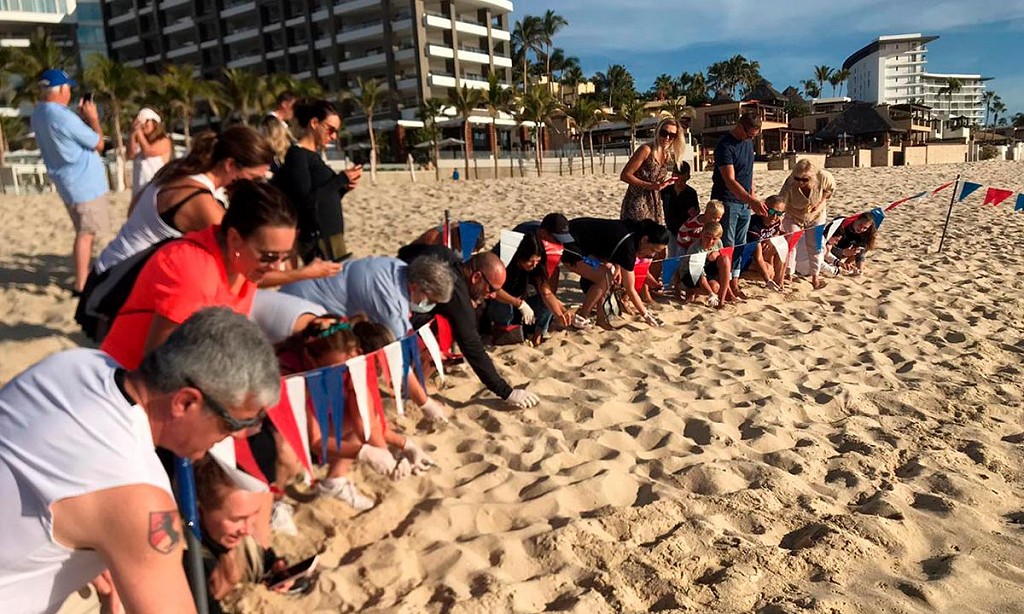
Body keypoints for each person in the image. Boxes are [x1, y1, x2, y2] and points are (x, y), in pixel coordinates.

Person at [0, 307, 280, 614]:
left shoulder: (75, 364)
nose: (237, 438)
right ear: (185, 402)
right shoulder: (139, 497)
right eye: (233, 424)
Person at [100, 179, 299, 370]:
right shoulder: (193, 268)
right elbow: (158, 363)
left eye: (285, 256)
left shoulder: (243, 265)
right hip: (130, 376)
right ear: (235, 239)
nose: (277, 266)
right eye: (269, 256)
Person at [277, 317, 436, 509]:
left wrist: (402, 448)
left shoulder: (348, 365)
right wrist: (366, 453)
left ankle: (334, 481)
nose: (342, 371)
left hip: (315, 431)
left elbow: (368, 423)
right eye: (336, 368)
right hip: (279, 436)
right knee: (285, 453)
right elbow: (316, 442)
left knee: (363, 414)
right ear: (311, 359)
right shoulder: (291, 374)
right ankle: (274, 502)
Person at [95, 126, 277, 274]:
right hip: (117, 285)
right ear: (230, 165)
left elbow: (132, 210)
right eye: (253, 178)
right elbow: (240, 262)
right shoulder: (201, 201)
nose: (253, 185)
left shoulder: (177, 169)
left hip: (107, 265)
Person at [397, 245, 541, 409]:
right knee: (441, 327)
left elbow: (405, 251)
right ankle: (412, 388)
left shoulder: (445, 253)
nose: (493, 295)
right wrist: (506, 392)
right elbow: (473, 348)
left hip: (388, 283)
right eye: (491, 289)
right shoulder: (458, 300)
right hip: (388, 317)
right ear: (476, 277)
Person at [30, 68, 109, 295]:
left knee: (84, 231)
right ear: (61, 89)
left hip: (68, 181)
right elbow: (98, 143)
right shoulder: (62, 116)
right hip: (83, 183)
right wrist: (92, 118)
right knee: (86, 233)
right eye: (68, 88)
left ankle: (82, 279)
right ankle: (81, 284)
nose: (70, 93)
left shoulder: (39, 113)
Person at [193, 455, 297, 614]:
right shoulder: (191, 562)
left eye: (254, 513)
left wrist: (276, 567)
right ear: (199, 511)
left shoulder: (233, 541)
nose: (248, 530)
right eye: (237, 519)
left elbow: (265, 557)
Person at [279, 254, 456, 341]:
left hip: (296, 290)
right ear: (416, 286)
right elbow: (399, 350)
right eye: (431, 300)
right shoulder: (390, 301)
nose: (429, 305)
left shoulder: (398, 267)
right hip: (297, 311)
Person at [272, 98, 362, 263]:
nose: (334, 136)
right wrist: (340, 180)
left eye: (336, 132)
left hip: (329, 234)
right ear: (314, 123)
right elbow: (306, 201)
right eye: (330, 130)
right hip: (318, 237)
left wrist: (343, 187)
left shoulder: (312, 156)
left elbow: (323, 198)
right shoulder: (298, 155)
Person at [561, 217, 671, 330]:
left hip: (585, 242)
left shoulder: (634, 233)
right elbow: (630, 288)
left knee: (608, 275)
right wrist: (646, 314)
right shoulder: (629, 246)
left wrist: (616, 267)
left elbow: (613, 244)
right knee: (604, 277)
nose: (652, 255)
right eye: (653, 250)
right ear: (644, 239)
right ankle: (581, 316)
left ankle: (601, 318)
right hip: (569, 242)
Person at [711, 112, 766, 299]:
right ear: (740, 126)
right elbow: (730, 180)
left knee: (741, 244)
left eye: (754, 136)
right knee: (727, 244)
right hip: (727, 200)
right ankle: (725, 286)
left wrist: (753, 197)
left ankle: (734, 281)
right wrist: (751, 201)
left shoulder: (748, 143)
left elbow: (748, 174)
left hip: (744, 203)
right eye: (749, 134)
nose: (750, 138)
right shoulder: (725, 145)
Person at [487, 233, 567, 345]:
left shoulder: (536, 268)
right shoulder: (505, 264)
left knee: (546, 303)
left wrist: (561, 312)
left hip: (522, 304)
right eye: (530, 261)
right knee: (504, 307)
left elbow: (546, 293)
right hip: (502, 303)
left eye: (537, 261)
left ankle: (538, 334)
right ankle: (505, 332)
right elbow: (494, 290)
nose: (534, 265)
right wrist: (519, 304)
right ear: (521, 257)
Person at [779, 159, 836, 289]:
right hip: (794, 213)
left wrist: (820, 202)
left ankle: (815, 276)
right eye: (798, 179)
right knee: (792, 243)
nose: (801, 182)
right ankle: (789, 274)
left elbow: (829, 190)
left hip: (816, 215)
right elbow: (782, 200)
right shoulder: (790, 182)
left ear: (813, 176)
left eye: (805, 180)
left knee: (814, 245)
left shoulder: (824, 177)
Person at [619, 116, 683, 225]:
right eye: (664, 133)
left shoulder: (666, 155)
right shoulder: (646, 150)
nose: (667, 137)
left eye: (672, 135)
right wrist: (649, 185)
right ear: (658, 132)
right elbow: (625, 175)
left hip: (654, 202)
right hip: (638, 201)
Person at [680, 221, 731, 308]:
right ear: (701, 235)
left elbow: (725, 268)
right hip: (691, 274)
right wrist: (711, 294)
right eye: (707, 238)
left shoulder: (718, 243)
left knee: (725, 259)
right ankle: (691, 290)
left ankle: (721, 301)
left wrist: (717, 253)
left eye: (714, 239)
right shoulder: (696, 249)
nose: (710, 241)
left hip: (707, 268)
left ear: (719, 238)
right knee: (714, 287)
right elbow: (701, 276)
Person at [745, 195, 787, 291]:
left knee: (782, 246)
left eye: (779, 213)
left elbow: (777, 234)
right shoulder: (754, 225)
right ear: (764, 208)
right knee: (769, 271)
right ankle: (770, 280)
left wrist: (771, 238)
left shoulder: (776, 222)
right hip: (747, 259)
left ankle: (780, 282)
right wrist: (767, 280)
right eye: (771, 211)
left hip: (762, 253)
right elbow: (758, 257)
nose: (774, 216)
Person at [128, 107, 172, 195]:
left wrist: (138, 131)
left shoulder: (164, 140)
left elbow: (148, 152)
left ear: (155, 123)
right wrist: (133, 134)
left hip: (158, 190)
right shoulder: (139, 141)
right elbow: (130, 155)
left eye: (147, 121)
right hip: (140, 190)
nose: (143, 125)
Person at [661, 160, 699, 260]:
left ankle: (680, 273)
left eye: (683, 180)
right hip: (670, 227)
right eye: (678, 179)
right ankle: (673, 274)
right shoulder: (666, 191)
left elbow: (696, 210)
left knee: (682, 254)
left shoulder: (690, 193)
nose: (680, 183)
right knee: (672, 253)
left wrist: (694, 211)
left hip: (685, 229)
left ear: (688, 177)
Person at [261, 91, 297, 168]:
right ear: (284, 104)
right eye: (293, 106)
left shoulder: (282, 124)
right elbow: (274, 146)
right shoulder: (270, 122)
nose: (294, 110)